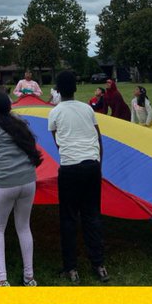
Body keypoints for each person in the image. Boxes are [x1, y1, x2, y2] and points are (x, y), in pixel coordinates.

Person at [47, 70, 108, 283]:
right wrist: (97, 163)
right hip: (92, 165)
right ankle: (99, 265)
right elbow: (98, 138)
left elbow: (58, 143)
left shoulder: (54, 113)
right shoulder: (87, 109)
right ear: (75, 88)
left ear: (57, 90)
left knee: (69, 218)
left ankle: (71, 269)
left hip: (70, 168)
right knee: (92, 216)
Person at [0, 89, 43, 286]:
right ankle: (29, 277)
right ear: (9, 106)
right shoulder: (20, 125)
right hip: (28, 182)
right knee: (23, 227)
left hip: (4, 184)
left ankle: (3, 280)